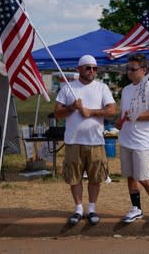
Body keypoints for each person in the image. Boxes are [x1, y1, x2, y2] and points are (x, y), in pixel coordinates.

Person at [54, 54, 116, 225]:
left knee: (96, 177)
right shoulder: (68, 88)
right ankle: (78, 209)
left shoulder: (102, 88)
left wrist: (91, 112)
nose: (91, 71)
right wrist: (72, 107)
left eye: (94, 68)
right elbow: (57, 113)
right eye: (88, 68)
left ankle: (92, 209)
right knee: (74, 177)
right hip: (74, 140)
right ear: (79, 69)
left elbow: (111, 111)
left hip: (95, 140)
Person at [115, 53, 149, 223]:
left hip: (141, 140)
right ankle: (136, 208)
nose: (129, 72)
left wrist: (136, 116)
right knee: (130, 175)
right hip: (126, 138)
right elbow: (125, 113)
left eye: (133, 69)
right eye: (127, 69)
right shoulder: (126, 90)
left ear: (143, 70)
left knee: (143, 176)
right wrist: (120, 121)